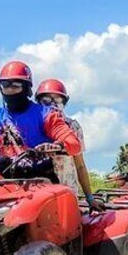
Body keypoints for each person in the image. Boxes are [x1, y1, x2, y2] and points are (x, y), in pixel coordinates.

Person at [34, 78, 105, 211]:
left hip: (68, 192)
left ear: (64, 102)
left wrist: (89, 198)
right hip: (39, 194)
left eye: (58, 99)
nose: (52, 103)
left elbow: (80, 165)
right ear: (38, 102)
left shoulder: (72, 127)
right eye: (47, 99)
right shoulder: (33, 126)